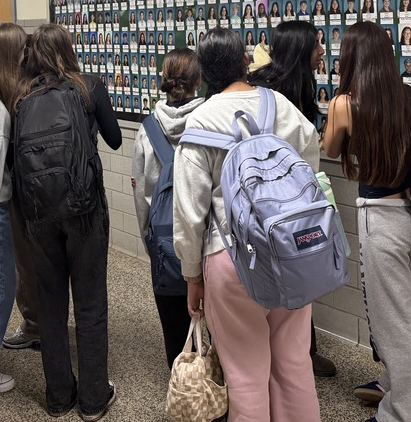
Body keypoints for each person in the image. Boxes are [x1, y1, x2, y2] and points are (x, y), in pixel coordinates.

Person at [175, 28, 322, 421]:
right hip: (290, 252)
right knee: (294, 364)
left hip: (230, 258)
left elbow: (189, 211)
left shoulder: (201, 120)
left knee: (245, 372)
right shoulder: (279, 104)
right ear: (244, 59)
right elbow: (311, 157)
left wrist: (192, 275)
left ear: (203, 72)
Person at [321, 21, 411, 422]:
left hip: (379, 220)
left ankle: (402, 414)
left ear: (352, 56)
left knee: (392, 323)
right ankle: (395, 386)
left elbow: (331, 147)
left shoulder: (345, 103)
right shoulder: (407, 96)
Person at [16, 24, 122, 420]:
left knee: (50, 302)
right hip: (84, 209)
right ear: (68, 49)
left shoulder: (21, 97)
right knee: (91, 303)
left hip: (38, 213)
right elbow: (113, 140)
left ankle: (59, 396)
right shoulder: (88, 87)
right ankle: (94, 399)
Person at [130, 48, 204, 367]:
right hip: (206, 242)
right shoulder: (210, 121)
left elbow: (141, 195)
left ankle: (181, 383)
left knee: (174, 326)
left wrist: (150, 240)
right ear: (198, 80)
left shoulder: (147, 130)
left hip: (164, 243)